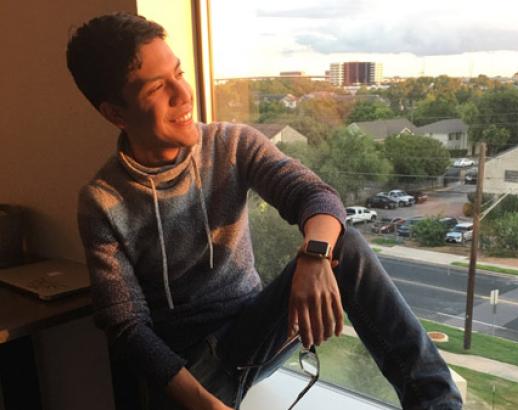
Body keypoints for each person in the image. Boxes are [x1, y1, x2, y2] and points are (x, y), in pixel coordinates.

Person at [67, 12, 462, 410]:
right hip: (188, 375)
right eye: (156, 88)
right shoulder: (102, 202)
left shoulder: (231, 145)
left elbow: (315, 196)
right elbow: (127, 328)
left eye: (179, 73)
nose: (182, 94)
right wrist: (204, 404)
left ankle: (439, 405)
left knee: (344, 243)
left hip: (254, 332)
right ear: (116, 113)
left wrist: (315, 256)